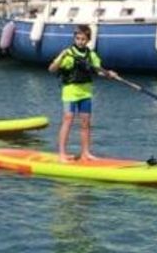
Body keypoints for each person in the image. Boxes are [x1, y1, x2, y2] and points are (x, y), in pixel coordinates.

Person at [47, 24, 120, 161]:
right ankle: (62, 153)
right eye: (78, 38)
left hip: (86, 92)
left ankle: (86, 153)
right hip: (70, 92)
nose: (80, 41)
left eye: (83, 39)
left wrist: (109, 74)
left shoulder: (91, 55)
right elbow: (51, 69)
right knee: (68, 120)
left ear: (88, 40)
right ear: (74, 38)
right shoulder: (68, 55)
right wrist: (61, 56)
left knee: (86, 122)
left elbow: (98, 70)